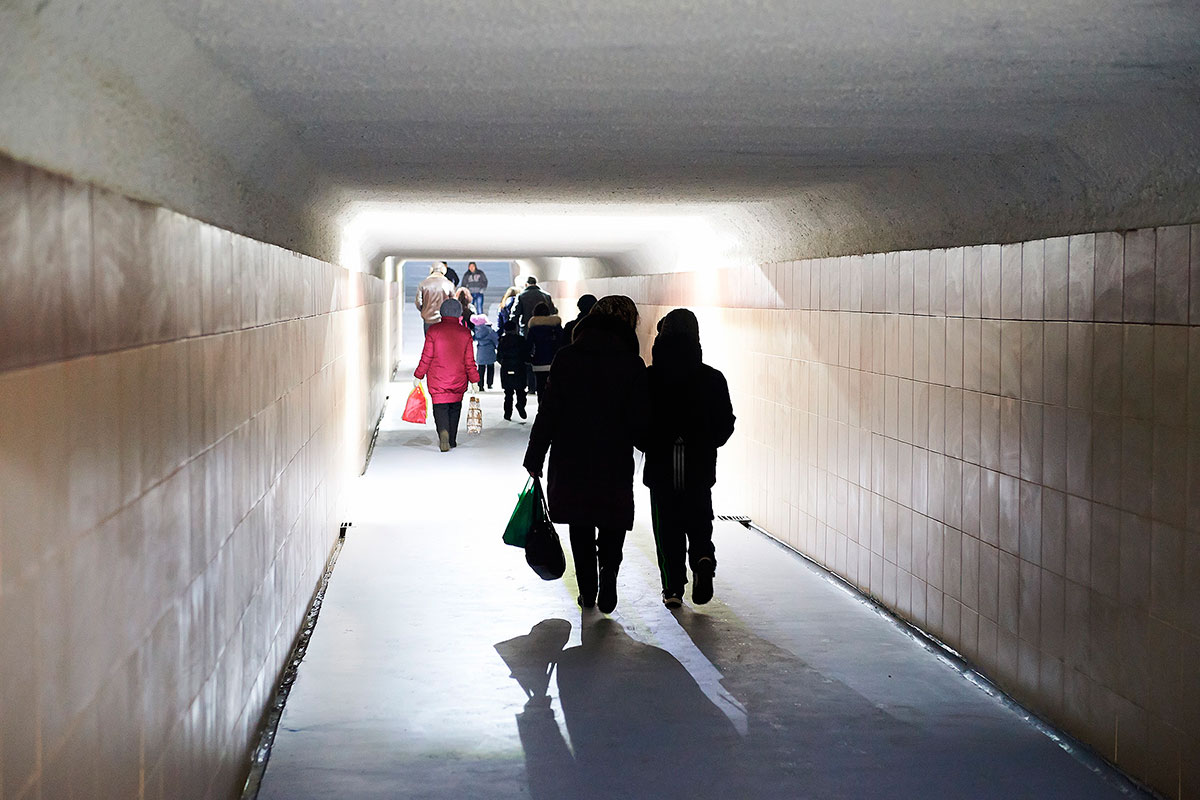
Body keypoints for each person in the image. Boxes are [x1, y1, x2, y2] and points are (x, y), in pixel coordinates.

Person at [523, 296, 648, 613]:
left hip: (571, 456)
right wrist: (647, 443)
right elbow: (639, 418)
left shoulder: (567, 358)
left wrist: (535, 456)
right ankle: (609, 574)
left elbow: (549, 412)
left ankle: (588, 590)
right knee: (612, 517)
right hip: (614, 458)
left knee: (580, 523)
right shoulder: (632, 364)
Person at [643, 309, 735, 608]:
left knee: (666, 525)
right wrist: (707, 442)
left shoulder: (650, 378)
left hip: (661, 464)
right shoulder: (712, 378)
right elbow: (726, 422)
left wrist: (648, 443)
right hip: (698, 463)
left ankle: (672, 587)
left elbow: (636, 419)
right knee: (698, 516)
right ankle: (702, 557)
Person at [413, 298, 481, 452]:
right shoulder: (465, 333)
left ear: (442, 312)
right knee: (455, 408)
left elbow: (427, 357)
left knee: (440, 408)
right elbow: (469, 361)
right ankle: (452, 439)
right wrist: (475, 380)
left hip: (437, 379)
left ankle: (443, 432)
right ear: (459, 313)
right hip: (458, 379)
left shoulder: (434, 331)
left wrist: (418, 375)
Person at [525, 302, 562, 402]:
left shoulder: (533, 327)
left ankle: (541, 408)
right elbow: (561, 342)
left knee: (540, 387)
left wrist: (529, 359)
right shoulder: (555, 325)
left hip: (539, 361)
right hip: (554, 361)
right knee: (554, 387)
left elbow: (528, 346)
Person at [497, 321, 529, 421]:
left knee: (508, 393)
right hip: (519, 367)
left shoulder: (502, 340)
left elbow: (498, 356)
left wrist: (504, 363)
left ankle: (507, 413)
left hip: (506, 368)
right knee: (520, 391)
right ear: (515, 329)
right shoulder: (521, 339)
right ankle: (520, 405)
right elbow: (525, 353)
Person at [415, 262, 454, 335]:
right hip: (444, 320)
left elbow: (418, 302)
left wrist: (424, 310)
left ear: (431, 270)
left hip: (428, 319)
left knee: (429, 342)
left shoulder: (423, 284)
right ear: (444, 270)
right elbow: (453, 302)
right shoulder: (449, 284)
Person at [471, 314, 498, 390]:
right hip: (489, 350)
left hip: (481, 351)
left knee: (481, 369)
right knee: (490, 367)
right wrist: (497, 346)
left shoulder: (476, 331)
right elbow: (495, 339)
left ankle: (480, 385)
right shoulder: (489, 330)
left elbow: (474, 339)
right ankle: (489, 383)